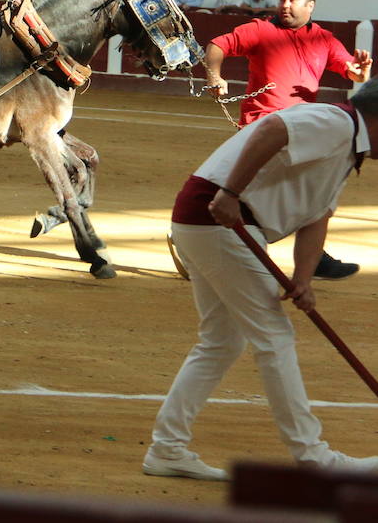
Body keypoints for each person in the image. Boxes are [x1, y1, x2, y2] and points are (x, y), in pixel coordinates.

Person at [143, 79, 378, 480]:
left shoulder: (346, 148)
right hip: (222, 219)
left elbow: (317, 216)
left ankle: (167, 449)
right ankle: (314, 459)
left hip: (211, 220)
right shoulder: (336, 123)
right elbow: (272, 129)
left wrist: (304, 278)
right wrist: (231, 192)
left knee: (221, 342)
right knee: (274, 337)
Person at [202, 0, 373, 280]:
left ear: (310, 6)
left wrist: (356, 72)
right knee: (276, 190)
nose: (284, 5)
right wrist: (215, 75)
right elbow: (218, 44)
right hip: (262, 127)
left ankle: (311, 255)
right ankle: (204, 235)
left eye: (292, 0)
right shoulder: (261, 30)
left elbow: (346, 66)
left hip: (303, 131)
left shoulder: (324, 39)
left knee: (307, 187)